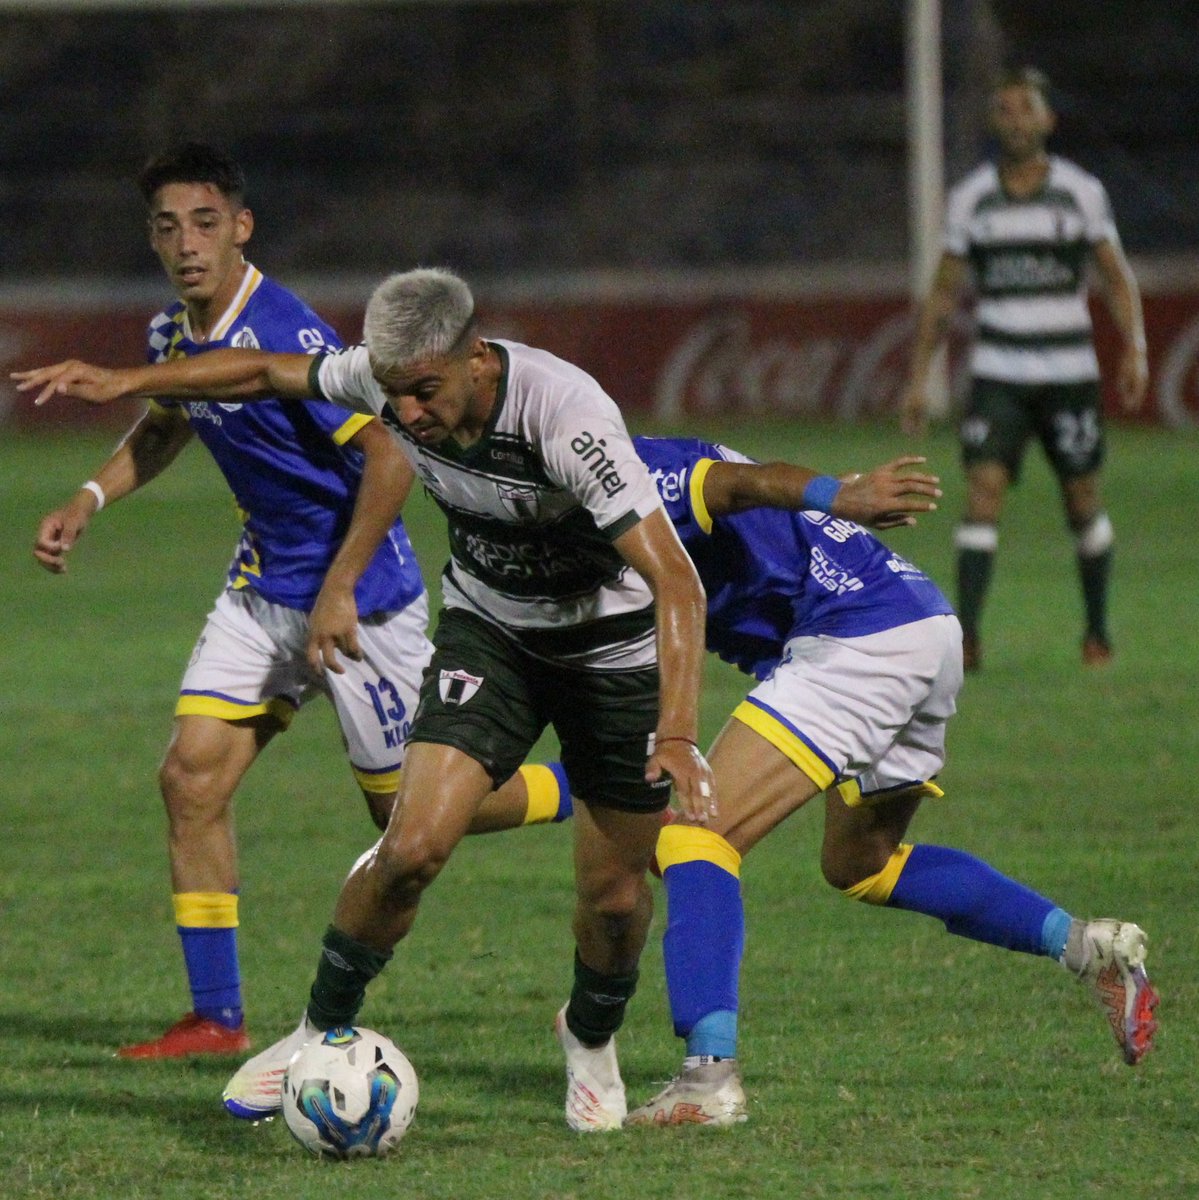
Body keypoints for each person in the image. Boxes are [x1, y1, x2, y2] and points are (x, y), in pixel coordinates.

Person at [17, 267, 717, 1133]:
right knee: (410, 844)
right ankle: (316, 1032)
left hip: (607, 653)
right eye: (394, 395)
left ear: (475, 360)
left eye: (425, 392)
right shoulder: (385, 380)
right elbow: (259, 370)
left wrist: (679, 732)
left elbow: (676, 584)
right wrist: (132, 381)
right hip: (490, 636)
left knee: (612, 900)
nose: (409, 414)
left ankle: (589, 1037)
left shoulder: (566, 418)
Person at [30, 147, 549, 1064]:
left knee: (410, 820)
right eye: (165, 226)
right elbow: (164, 428)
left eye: (202, 222)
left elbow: (390, 458)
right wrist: (88, 498)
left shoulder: (288, 331)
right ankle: (217, 1017)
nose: (184, 244)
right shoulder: (171, 334)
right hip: (263, 589)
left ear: (240, 226)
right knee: (190, 777)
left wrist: (340, 588)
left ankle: (593, 789)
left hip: (365, 605)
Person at [607, 435, 1156, 1126]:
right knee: (860, 864)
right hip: (920, 624)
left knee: (693, 839)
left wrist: (831, 491)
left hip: (856, 636)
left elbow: (741, 483)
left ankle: (706, 1079)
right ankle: (1089, 948)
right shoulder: (581, 494)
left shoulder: (632, 470)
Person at [899, 66, 1149, 671]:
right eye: (1005, 109)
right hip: (999, 374)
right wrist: (917, 377)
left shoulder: (1080, 193)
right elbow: (943, 292)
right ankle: (970, 640)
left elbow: (1115, 275)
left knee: (1082, 497)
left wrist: (1135, 346)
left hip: (1069, 376)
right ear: (995, 121)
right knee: (982, 494)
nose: (1015, 119)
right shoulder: (971, 200)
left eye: (1025, 108)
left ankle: (1096, 632)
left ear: (1047, 120)